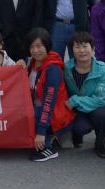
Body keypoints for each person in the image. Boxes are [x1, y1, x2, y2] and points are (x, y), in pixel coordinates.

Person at [26, 27, 74, 162]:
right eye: (32, 47)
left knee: (32, 116)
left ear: (47, 46)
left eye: (39, 46)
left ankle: (48, 141)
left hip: (54, 113)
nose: (36, 51)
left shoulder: (53, 69)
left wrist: (40, 132)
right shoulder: (32, 63)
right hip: (37, 108)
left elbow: (48, 103)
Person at [62, 31, 105, 158]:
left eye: (85, 46)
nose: (81, 50)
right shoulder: (67, 69)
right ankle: (77, 135)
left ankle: (100, 143)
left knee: (103, 115)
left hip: (96, 106)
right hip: (78, 109)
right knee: (80, 128)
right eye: (77, 47)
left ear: (93, 49)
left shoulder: (103, 70)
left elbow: (101, 100)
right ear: (72, 50)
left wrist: (75, 101)